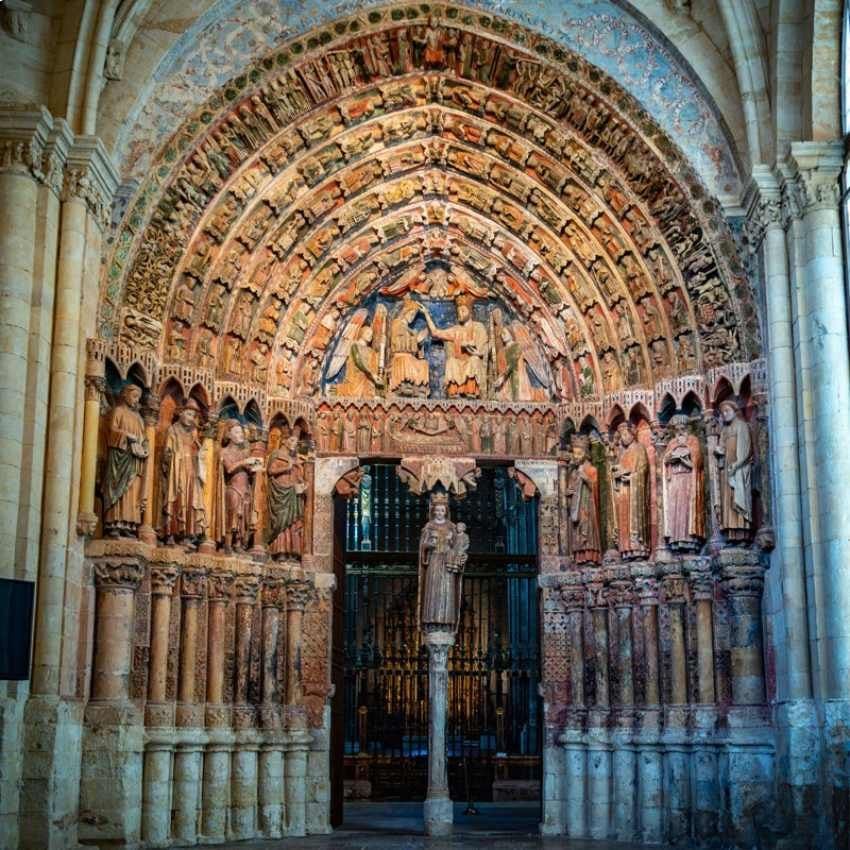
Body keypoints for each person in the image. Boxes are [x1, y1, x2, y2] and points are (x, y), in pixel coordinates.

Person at [102, 384, 148, 537]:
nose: (136, 400)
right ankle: (114, 522)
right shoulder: (118, 411)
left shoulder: (139, 418)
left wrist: (144, 447)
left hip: (134, 459)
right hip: (120, 456)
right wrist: (127, 436)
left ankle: (129, 524)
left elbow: (144, 437)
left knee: (133, 490)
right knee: (119, 489)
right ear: (125, 395)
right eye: (134, 396)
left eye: (138, 398)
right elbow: (111, 431)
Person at [417, 493, 466, 633]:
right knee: (433, 591)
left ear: (446, 511)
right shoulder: (429, 526)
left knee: (447, 590)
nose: (439, 513)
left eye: (442, 510)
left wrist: (459, 553)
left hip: (447, 563)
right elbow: (423, 546)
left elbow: (459, 547)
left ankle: (446, 622)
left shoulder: (452, 527)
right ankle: (431, 621)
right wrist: (428, 545)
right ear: (433, 511)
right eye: (437, 510)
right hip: (433, 562)